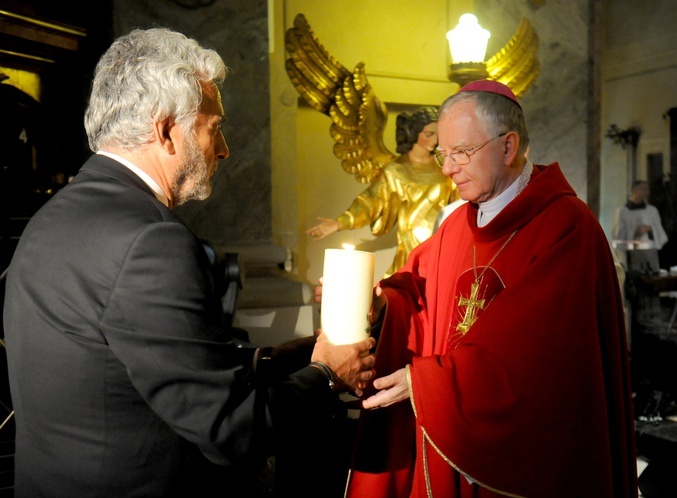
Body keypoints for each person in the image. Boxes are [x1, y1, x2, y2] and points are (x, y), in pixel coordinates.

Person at [2, 28, 375, 498]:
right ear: (165, 130)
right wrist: (327, 376)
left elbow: (157, 360)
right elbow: (230, 430)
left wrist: (303, 353)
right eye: (214, 127)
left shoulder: (55, 215)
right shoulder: (149, 241)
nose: (224, 150)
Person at [341, 80, 637, 497]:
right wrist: (379, 306)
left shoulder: (568, 228)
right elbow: (418, 295)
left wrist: (428, 385)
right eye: (444, 153)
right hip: (446, 441)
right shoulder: (455, 228)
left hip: (526, 462)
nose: (446, 168)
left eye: (460, 152)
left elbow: (542, 362)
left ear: (508, 146)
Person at [306, 106, 459, 277]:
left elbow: (460, 204)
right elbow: (370, 200)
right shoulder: (396, 170)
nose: (435, 139)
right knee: (406, 290)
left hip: (441, 244)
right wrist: (340, 222)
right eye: (429, 134)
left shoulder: (444, 167)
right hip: (411, 244)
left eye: (438, 133)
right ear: (414, 133)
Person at [612, 180, 668, 250]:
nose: (647, 193)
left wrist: (650, 228)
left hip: (650, 250)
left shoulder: (652, 210)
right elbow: (617, 236)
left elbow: (660, 232)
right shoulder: (621, 212)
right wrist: (634, 232)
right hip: (630, 252)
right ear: (635, 190)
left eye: (648, 190)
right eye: (644, 189)